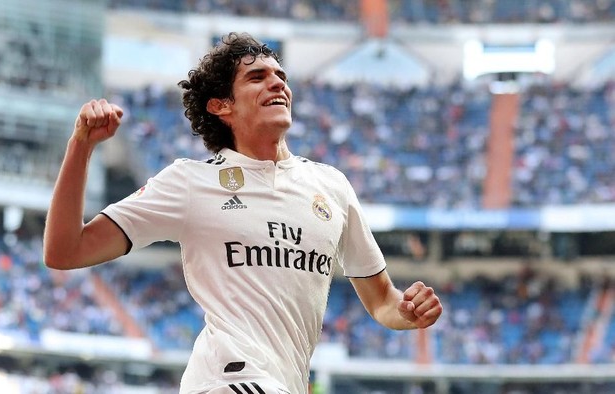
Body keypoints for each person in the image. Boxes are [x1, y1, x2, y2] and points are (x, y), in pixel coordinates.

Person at [43, 32, 443, 394]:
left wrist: (407, 311)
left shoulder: (331, 187)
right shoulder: (190, 182)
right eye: (257, 77)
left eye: (280, 75)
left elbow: (381, 301)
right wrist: (81, 146)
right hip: (226, 380)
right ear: (221, 106)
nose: (278, 83)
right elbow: (66, 251)